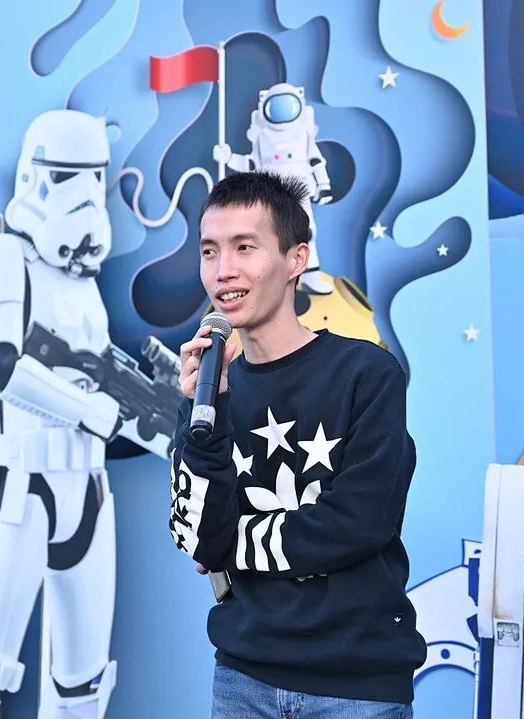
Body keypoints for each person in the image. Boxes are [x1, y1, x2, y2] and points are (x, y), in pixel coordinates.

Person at [169, 171, 427, 718]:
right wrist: (204, 415)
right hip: (242, 679)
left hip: (357, 688)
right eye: (210, 251)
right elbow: (195, 536)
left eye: (245, 247)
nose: (224, 270)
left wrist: (231, 545)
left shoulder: (366, 374)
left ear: (296, 259)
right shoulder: (208, 393)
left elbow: (357, 524)